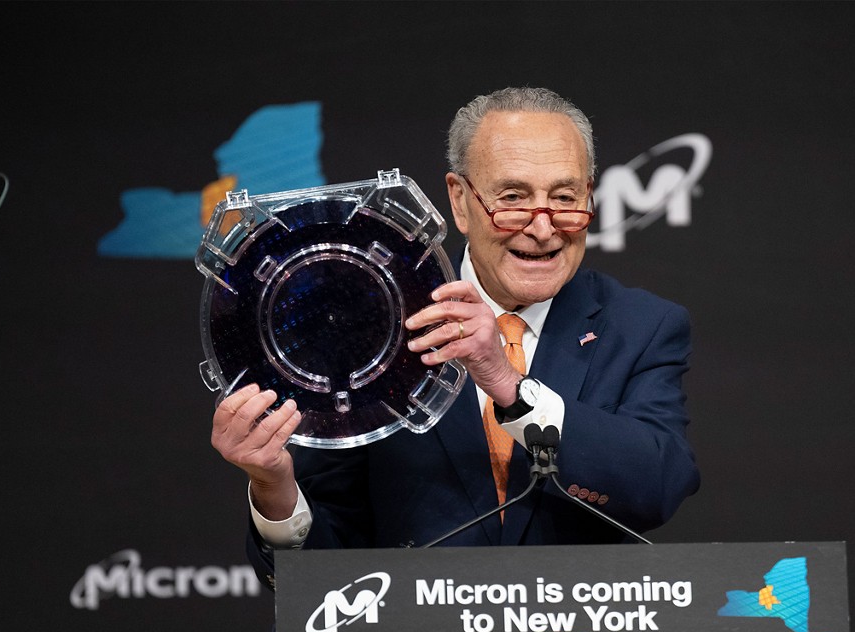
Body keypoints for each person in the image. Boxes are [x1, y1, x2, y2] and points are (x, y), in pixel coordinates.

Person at [210, 85, 700, 576]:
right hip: (415, 623)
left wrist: (508, 385)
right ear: (460, 201)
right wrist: (274, 489)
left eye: (565, 198)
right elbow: (326, 568)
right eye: (513, 198)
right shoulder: (374, 325)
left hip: (578, 624)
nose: (543, 227)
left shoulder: (641, 325)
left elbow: (659, 485)